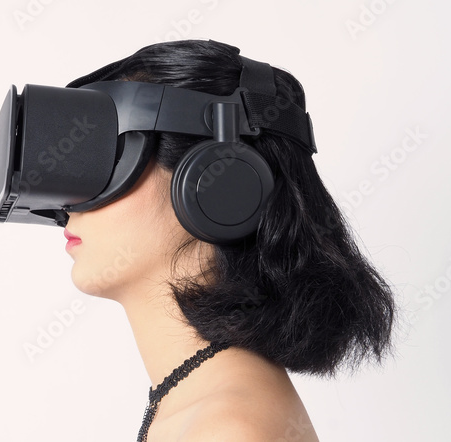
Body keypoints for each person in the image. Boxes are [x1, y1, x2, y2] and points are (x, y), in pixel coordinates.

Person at [60, 40, 396, 441]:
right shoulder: (197, 409)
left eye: (111, 158)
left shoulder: (227, 429)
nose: (70, 202)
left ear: (217, 186)